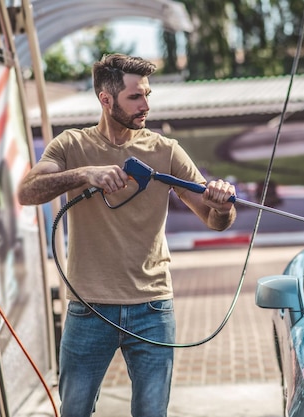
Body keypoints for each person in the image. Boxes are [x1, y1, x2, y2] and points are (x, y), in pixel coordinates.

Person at [17, 53, 237, 417]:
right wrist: (85, 174)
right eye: (135, 96)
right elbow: (28, 192)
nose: (146, 105)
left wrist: (224, 205)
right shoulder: (71, 146)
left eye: (147, 94)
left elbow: (214, 221)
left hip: (152, 307)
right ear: (106, 99)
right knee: (74, 410)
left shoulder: (166, 150)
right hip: (87, 308)